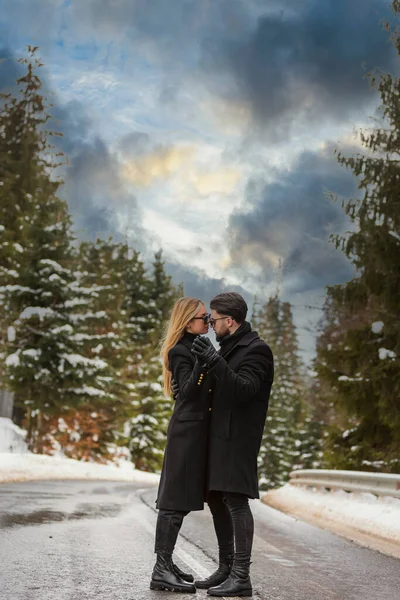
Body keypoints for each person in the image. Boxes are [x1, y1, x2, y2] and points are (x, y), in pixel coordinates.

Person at [190, 292, 274, 598]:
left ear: (230, 320)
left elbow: (244, 390)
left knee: (237, 502)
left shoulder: (257, 350)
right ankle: (225, 569)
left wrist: (214, 360)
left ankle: (241, 576)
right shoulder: (228, 348)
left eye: (213, 319)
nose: (211, 324)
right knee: (216, 499)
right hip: (218, 435)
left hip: (238, 438)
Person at [150, 297, 214, 593]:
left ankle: (166, 563)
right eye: (205, 319)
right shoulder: (181, 351)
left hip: (193, 431)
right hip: (186, 432)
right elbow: (188, 393)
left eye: (210, 319)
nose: (209, 323)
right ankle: (161, 569)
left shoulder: (192, 347)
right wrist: (202, 362)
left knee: (181, 500)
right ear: (189, 322)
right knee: (173, 501)